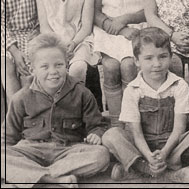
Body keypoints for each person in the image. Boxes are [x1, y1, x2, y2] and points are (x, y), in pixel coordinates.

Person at [1, 33, 110, 187]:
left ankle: (30, 177)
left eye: (58, 65)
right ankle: (55, 179)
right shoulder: (21, 98)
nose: (53, 71)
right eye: (44, 66)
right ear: (33, 69)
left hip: (68, 151)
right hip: (31, 149)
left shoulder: (82, 94)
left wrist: (96, 134)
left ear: (67, 64)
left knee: (101, 155)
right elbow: (7, 137)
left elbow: (97, 125)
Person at [102, 27, 189, 183]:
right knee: (111, 135)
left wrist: (164, 152)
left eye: (163, 56)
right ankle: (163, 172)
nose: (157, 64)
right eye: (148, 58)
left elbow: (179, 128)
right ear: (136, 61)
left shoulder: (179, 85)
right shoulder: (133, 89)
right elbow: (136, 133)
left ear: (171, 56)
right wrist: (149, 155)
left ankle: (137, 170)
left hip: (171, 144)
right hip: (141, 146)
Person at [84, 0, 154, 126]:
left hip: (139, 27)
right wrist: (115, 26)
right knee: (111, 66)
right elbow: (93, 11)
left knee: (130, 65)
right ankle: (116, 123)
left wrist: (127, 19)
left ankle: (135, 121)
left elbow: (152, 8)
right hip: (108, 29)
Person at [1, 0, 41, 104]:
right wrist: (14, 51)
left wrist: (38, 31)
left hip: (30, 34)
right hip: (5, 38)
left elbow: (43, 11)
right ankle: (14, 115)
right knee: (7, 66)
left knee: (28, 69)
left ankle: (29, 116)